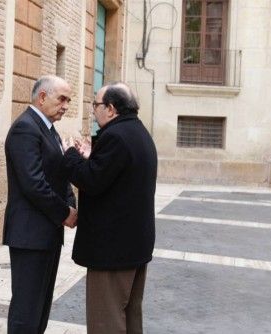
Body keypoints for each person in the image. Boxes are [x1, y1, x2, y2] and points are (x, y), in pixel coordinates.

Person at [62, 82, 157, 334]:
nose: (94, 111)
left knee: (106, 320)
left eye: (96, 105)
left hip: (113, 251)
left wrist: (70, 154)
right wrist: (92, 156)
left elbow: (92, 181)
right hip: (134, 246)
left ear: (111, 109)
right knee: (130, 316)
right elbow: (113, 174)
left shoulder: (115, 136)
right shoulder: (138, 132)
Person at [3, 75, 77, 334]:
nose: (66, 105)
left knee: (41, 307)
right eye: (62, 99)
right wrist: (64, 212)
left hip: (47, 234)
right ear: (42, 97)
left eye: (68, 100)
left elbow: (59, 172)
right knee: (26, 310)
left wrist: (71, 202)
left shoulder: (48, 128)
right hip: (30, 235)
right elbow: (34, 184)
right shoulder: (25, 128)